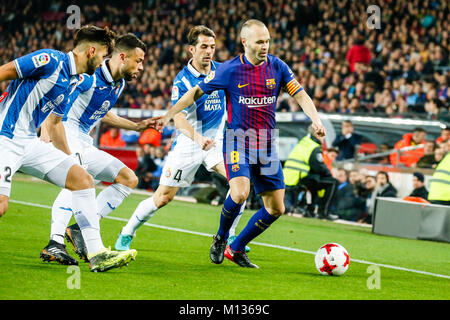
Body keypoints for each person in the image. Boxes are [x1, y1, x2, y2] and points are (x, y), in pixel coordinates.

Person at [160, 19, 325, 268]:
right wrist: (169, 113)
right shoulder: (229, 70)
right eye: (260, 42)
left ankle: (235, 249)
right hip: (238, 141)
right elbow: (195, 92)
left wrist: (315, 119)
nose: (265, 46)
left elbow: (299, 93)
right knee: (239, 193)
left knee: (276, 208)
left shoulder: (278, 67)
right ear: (245, 42)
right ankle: (221, 238)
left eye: (268, 41)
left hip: (267, 144)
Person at [0, 25, 137, 272]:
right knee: (1, 206)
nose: (104, 61)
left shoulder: (71, 81)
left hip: (29, 142)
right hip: (5, 138)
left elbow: (55, 124)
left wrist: (69, 159)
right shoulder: (50, 60)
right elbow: (4, 71)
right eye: (104, 56)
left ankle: (97, 254)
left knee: (82, 179)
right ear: (91, 51)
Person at [115, 26, 248, 253]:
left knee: (240, 184)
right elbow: (179, 120)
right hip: (189, 144)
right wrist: (198, 138)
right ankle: (127, 232)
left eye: (212, 47)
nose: (209, 51)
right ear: (191, 50)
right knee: (163, 197)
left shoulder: (223, 72)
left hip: (216, 143)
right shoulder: (182, 81)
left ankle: (229, 237)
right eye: (203, 47)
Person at [38, 33, 160, 265]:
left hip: (84, 139)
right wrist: (47, 130)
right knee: (77, 179)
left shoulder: (119, 83)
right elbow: (56, 97)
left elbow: (103, 111)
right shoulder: (89, 76)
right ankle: (55, 242)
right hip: (66, 132)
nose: (142, 67)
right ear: (122, 57)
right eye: (139, 60)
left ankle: (78, 230)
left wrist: (135, 126)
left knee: (128, 179)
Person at [283, 125, 338, 220]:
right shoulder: (314, 147)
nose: (324, 137)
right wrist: (330, 174)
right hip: (299, 178)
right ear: (317, 134)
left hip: (290, 177)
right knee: (332, 182)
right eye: (323, 134)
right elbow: (319, 166)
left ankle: (309, 210)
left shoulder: (304, 142)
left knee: (316, 179)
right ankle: (323, 213)